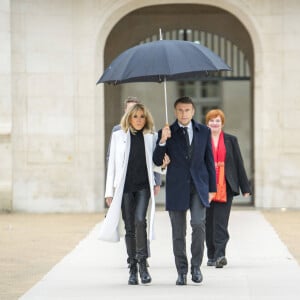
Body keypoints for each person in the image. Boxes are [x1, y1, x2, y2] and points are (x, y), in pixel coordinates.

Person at [99, 103, 169, 285]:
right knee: (129, 226)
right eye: (135, 116)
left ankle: (143, 265)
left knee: (140, 220)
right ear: (129, 118)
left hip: (143, 186)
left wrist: (163, 153)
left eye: (142, 116)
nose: (139, 120)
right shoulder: (117, 136)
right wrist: (109, 192)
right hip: (124, 188)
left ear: (146, 119)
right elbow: (112, 165)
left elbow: (155, 163)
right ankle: (132, 268)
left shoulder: (151, 136)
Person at [153, 96, 216, 285]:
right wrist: (162, 141)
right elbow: (157, 160)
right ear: (175, 111)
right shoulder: (166, 132)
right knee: (178, 232)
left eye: (187, 110)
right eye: (180, 110)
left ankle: (196, 267)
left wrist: (212, 188)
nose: (183, 113)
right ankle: (182, 270)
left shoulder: (204, 131)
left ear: (193, 111)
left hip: (199, 186)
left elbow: (209, 161)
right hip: (176, 187)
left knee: (198, 224)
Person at [205, 109, 251, 268]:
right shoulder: (202, 139)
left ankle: (220, 255)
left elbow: (239, 163)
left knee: (221, 223)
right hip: (207, 187)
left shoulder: (231, 140)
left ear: (222, 123)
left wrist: (245, 187)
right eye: (211, 120)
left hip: (226, 186)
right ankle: (210, 254)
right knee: (208, 222)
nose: (214, 123)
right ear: (207, 123)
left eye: (217, 120)